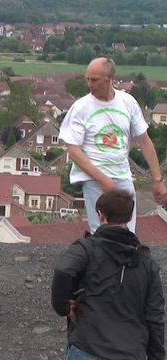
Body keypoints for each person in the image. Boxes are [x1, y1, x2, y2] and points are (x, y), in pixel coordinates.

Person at [51, 189, 165, 360]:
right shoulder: (146, 262)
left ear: (101, 215)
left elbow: (63, 270)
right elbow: (155, 316)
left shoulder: (85, 249)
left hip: (88, 349)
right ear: (129, 216)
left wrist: (64, 308)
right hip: (131, 352)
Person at [59, 57, 167, 235]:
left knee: (127, 233)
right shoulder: (81, 107)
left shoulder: (127, 102)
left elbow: (144, 140)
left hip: (123, 176)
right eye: (87, 79)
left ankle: (126, 262)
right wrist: (103, 180)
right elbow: (74, 150)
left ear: (109, 79)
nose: (89, 84)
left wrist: (157, 180)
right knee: (102, 232)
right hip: (94, 180)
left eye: (94, 80)